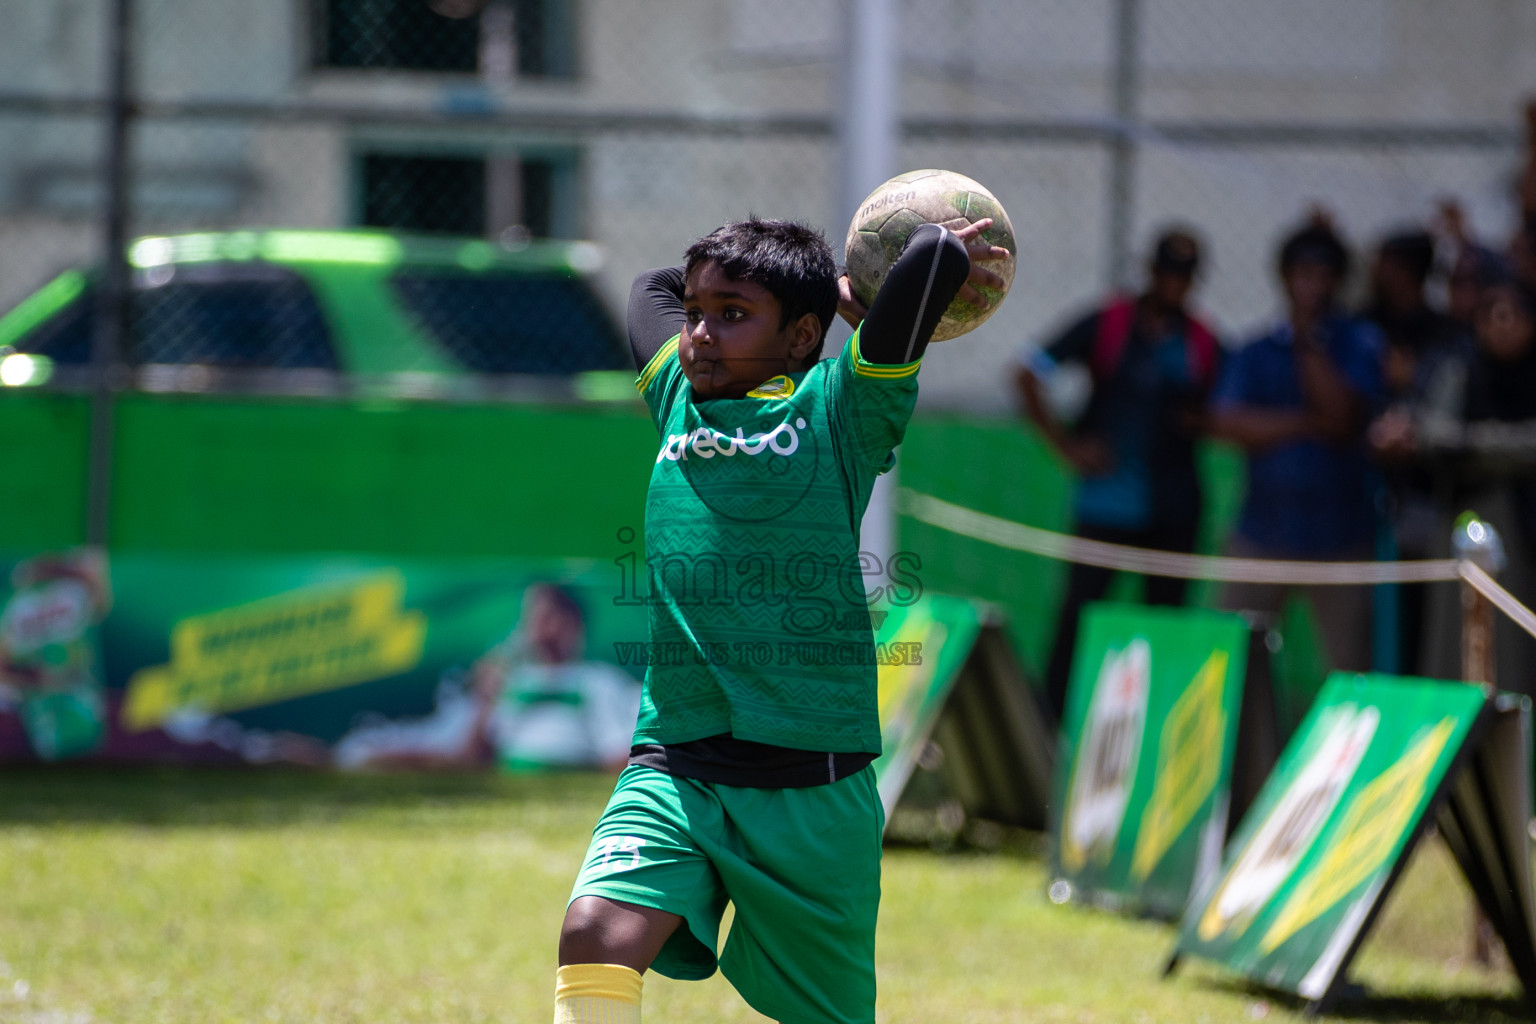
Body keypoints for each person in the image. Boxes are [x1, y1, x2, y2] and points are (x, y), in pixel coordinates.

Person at [551, 216, 1008, 1024]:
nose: (698, 335)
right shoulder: (677, 399)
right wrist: (745, 292)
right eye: (698, 315)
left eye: (733, 315)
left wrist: (864, 288)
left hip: (812, 786)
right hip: (677, 764)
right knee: (596, 929)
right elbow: (644, 289)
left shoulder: (842, 408)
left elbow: (934, 257)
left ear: (802, 336)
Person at [1017, 228, 1219, 721]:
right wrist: (1065, 445)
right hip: (1105, 506)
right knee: (1077, 625)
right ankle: (1050, 733)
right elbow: (1026, 372)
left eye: (1184, 276)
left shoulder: (1204, 341)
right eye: (1167, 272)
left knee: (1165, 629)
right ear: (1150, 270)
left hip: (1173, 511)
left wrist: (1206, 421)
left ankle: (1154, 731)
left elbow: (1228, 408)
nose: (1174, 285)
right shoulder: (1106, 323)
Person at [1211, 215, 1385, 674]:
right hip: (1260, 533)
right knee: (1233, 662)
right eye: (1303, 274)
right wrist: (1306, 422)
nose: (1313, 286)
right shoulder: (1255, 349)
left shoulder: (1359, 343)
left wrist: (1310, 342)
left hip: (1341, 537)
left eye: (1324, 275)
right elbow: (1228, 422)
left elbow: (1342, 418)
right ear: (1285, 278)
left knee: (1348, 671)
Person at [1381, 279, 1536, 695]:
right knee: (1456, 640)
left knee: (1517, 651)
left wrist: (1468, 443)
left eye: (1515, 315)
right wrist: (1497, 446)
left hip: (1525, 525)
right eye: (1493, 316)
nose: (1504, 326)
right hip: (1463, 514)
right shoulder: (1458, 367)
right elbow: (1430, 433)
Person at [332, 582, 640, 772]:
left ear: (573, 622)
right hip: (503, 780)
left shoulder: (597, 682)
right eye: (531, 616)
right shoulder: (511, 681)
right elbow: (471, 758)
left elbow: (614, 759)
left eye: (547, 615)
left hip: (565, 777)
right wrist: (485, 701)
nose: (536, 626)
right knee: (370, 754)